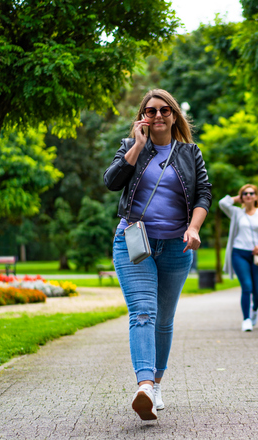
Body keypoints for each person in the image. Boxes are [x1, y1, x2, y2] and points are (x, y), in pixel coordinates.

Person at [104, 89, 212, 421]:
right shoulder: (129, 147)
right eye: (151, 111)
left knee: (163, 321)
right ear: (142, 117)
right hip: (134, 242)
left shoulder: (190, 152)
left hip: (176, 246)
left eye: (166, 110)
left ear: (175, 115)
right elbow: (112, 182)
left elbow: (203, 194)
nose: (159, 115)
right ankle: (145, 386)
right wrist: (137, 146)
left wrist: (193, 228)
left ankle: (157, 383)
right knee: (143, 313)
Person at [219, 185, 258, 332]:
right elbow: (222, 203)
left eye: (251, 193)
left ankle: (254, 309)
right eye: (245, 193)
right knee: (247, 286)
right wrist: (238, 198)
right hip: (239, 253)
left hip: (257, 256)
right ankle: (246, 319)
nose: (248, 195)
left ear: (256, 196)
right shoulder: (237, 213)